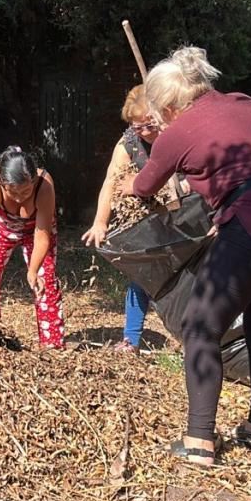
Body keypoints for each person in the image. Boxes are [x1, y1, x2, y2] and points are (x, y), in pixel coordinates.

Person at [125, 47, 251, 466]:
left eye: (160, 115)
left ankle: (199, 440)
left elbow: (143, 188)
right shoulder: (246, 103)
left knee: (200, 327)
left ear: (168, 105)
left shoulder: (177, 132)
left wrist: (128, 182)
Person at [82, 85, 160, 352]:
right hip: (147, 217)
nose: (144, 133)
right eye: (137, 128)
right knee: (140, 274)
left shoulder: (174, 133)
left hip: (182, 214)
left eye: (148, 125)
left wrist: (139, 182)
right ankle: (131, 339)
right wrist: (100, 221)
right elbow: (111, 182)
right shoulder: (129, 141)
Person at [0, 146, 66, 349]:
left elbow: (42, 237)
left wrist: (32, 271)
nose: (19, 197)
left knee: (44, 281)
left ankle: (52, 346)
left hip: (37, 231)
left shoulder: (44, 187)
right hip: (3, 228)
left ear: (33, 180)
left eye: (25, 191)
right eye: (12, 192)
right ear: (2, 182)